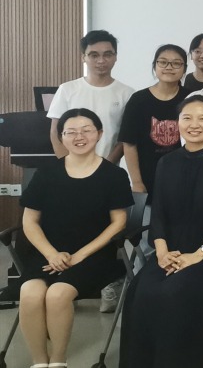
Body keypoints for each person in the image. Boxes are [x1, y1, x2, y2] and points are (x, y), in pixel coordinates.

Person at [119, 95, 203, 368]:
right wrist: (162, 252)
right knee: (141, 292)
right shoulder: (167, 162)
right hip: (171, 251)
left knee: (175, 293)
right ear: (177, 123)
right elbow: (159, 213)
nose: (194, 124)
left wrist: (200, 254)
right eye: (187, 118)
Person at [19, 109, 133, 368]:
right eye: (70, 132)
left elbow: (119, 223)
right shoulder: (47, 172)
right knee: (30, 293)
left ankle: (59, 361)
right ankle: (39, 362)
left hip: (93, 256)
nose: (79, 137)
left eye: (86, 130)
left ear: (99, 134)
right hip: (49, 253)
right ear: (61, 137)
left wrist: (80, 255)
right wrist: (51, 254)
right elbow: (29, 221)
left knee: (57, 294)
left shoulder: (114, 175)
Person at [47, 30, 134, 164]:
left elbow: (125, 138)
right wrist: (67, 165)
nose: (101, 60)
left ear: (115, 57)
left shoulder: (127, 93)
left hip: (108, 168)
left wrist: (105, 167)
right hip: (70, 168)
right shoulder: (67, 89)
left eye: (107, 55)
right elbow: (55, 132)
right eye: (94, 55)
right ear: (83, 57)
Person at [119, 44, 190, 203]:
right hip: (148, 179)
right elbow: (129, 143)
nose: (169, 67)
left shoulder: (191, 98)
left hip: (185, 177)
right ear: (154, 66)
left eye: (176, 63)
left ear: (184, 69)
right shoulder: (138, 100)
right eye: (163, 62)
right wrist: (136, 182)